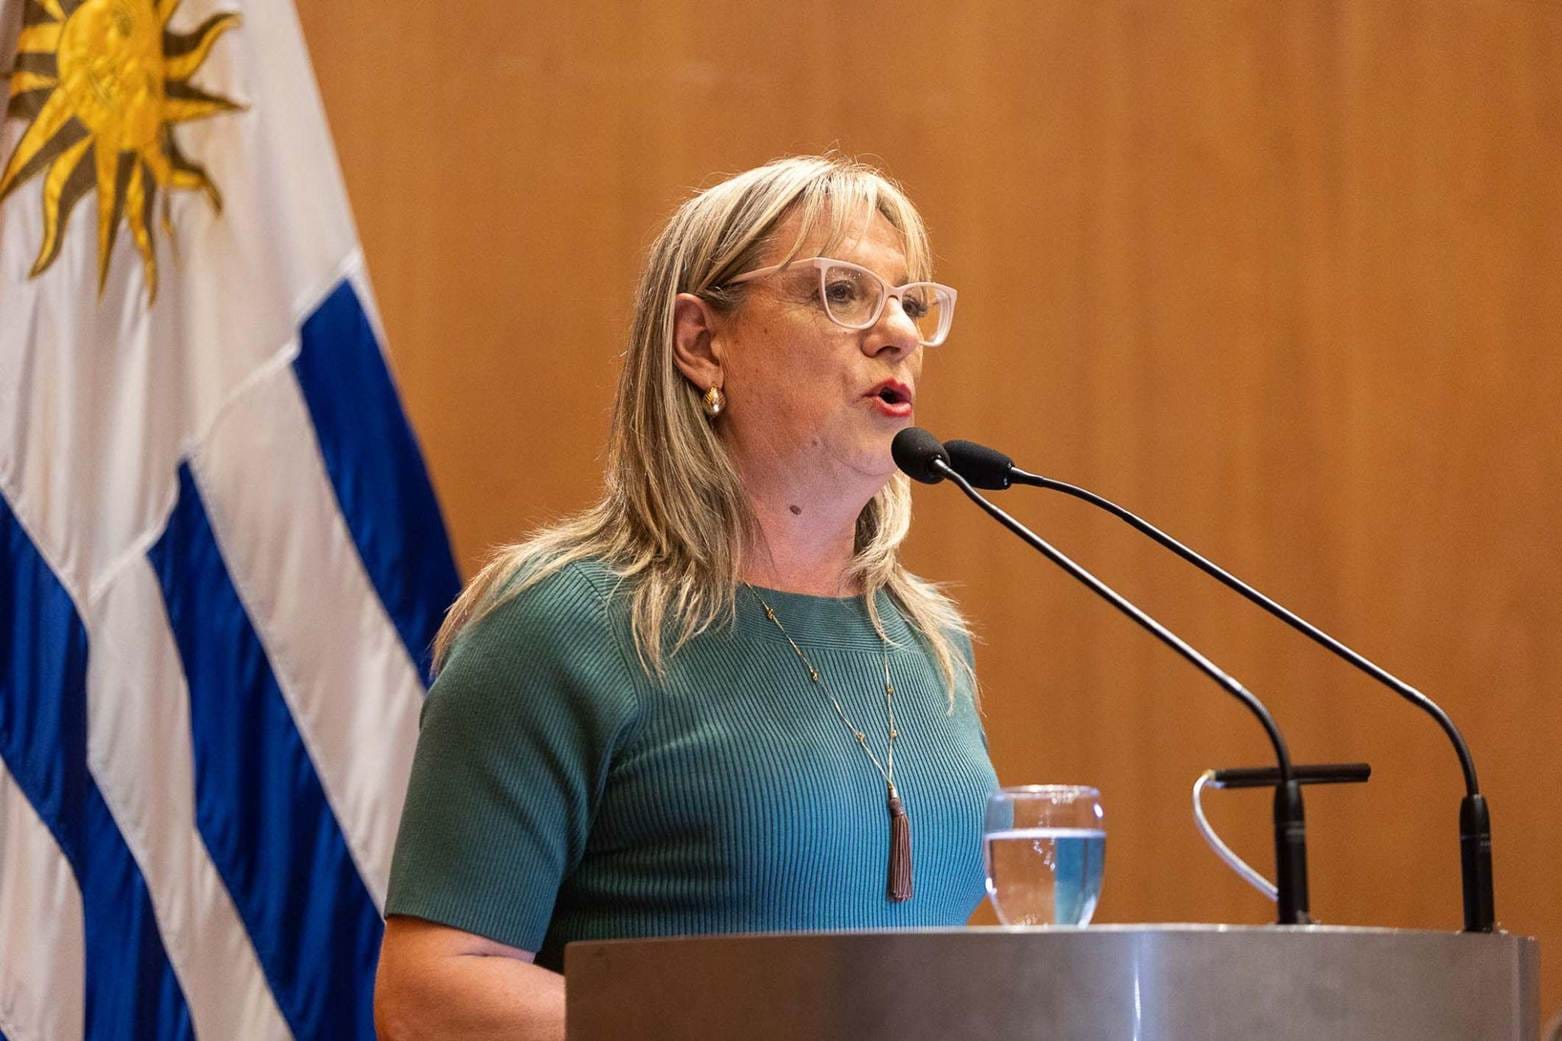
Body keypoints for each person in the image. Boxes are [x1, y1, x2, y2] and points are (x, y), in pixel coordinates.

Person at [373, 154, 998, 1040]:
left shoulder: (930, 641)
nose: (896, 330)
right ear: (703, 342)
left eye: (909, 301)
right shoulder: (559, 624)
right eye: (843, 293)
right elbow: (429, 995)